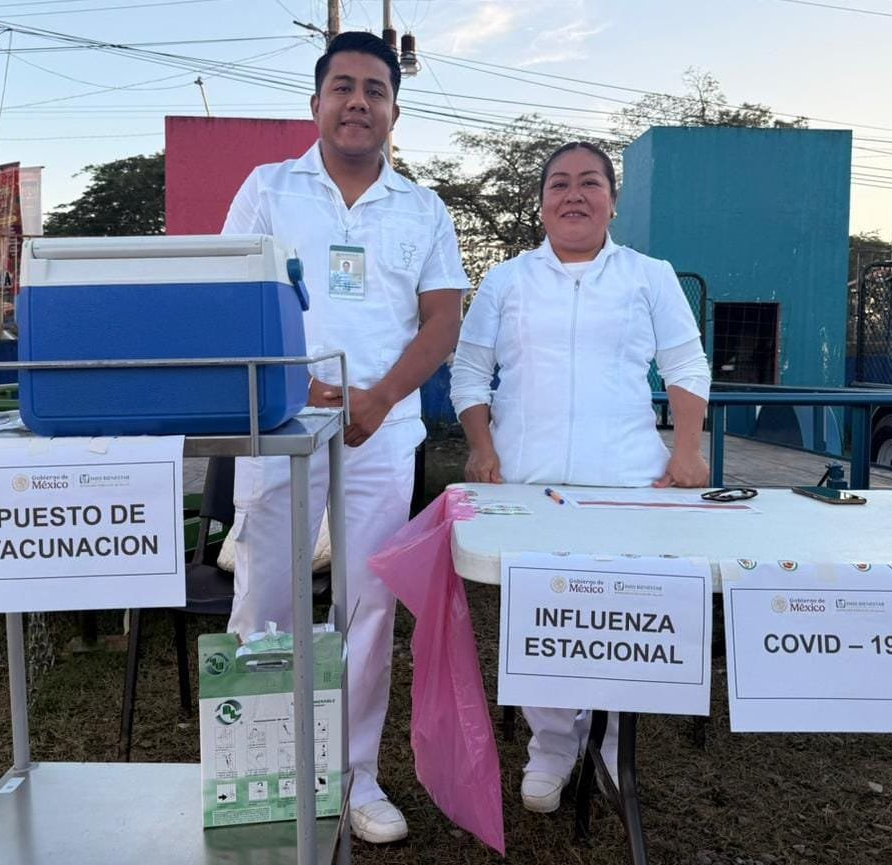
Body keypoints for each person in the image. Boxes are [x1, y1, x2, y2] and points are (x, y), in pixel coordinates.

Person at [221, 31, 467, 843]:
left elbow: (442, 321)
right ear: (316, 102)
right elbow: (233, 301)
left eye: (375, 90)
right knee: (267, 594)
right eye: (343, 87)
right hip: (281, 423)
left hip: (383, 433)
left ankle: (353, 773)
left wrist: (379, 398)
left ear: (395, 110)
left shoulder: (422, 209)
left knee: (367, 605)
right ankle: (257, 773)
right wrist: (301, 389)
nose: (359, 101)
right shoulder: (267, 189)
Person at [449, 141, 711, 813]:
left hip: (625, 480)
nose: (574, 195)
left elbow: (686, 363)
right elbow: (470, 371)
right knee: (543, 610)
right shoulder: (506, 281)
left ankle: (614, 740)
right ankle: (552, 744)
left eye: (589, 182)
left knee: (624, 609)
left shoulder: (650, 276)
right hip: (526, 480)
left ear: (612, 201)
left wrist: (687, 449)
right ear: (540, 202)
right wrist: (481, 447)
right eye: (559, 184)